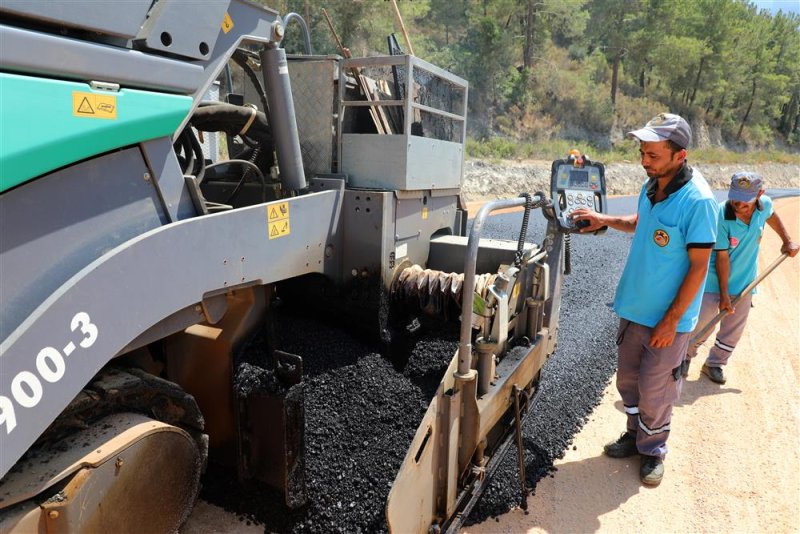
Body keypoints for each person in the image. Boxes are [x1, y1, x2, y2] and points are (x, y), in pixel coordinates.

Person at [571, 113, 718, 486]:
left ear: (679, 155)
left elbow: (700, 267)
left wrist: (671, 321)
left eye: (653, 155)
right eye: (642, 153)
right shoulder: (651, 185)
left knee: (658, 388)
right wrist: (603, 219)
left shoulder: (698, 201)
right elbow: (643, 223)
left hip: (668, 318)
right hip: (635, 307)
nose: (644, 161)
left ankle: (653, 449)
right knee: (630, 383)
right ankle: (634, 434)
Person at [684, 172, 799, 384]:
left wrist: (787, 240)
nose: (738, 205)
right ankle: (685, 357)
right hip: (712, 279)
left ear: (759, 194)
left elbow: (771, 215)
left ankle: (715, 364)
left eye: (745, 201)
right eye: (735, 198)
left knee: (733, 328)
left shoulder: (764, 204)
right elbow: (722, 259)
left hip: (744, 281)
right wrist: (724, 295)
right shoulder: (721, 214)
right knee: (702, 322)